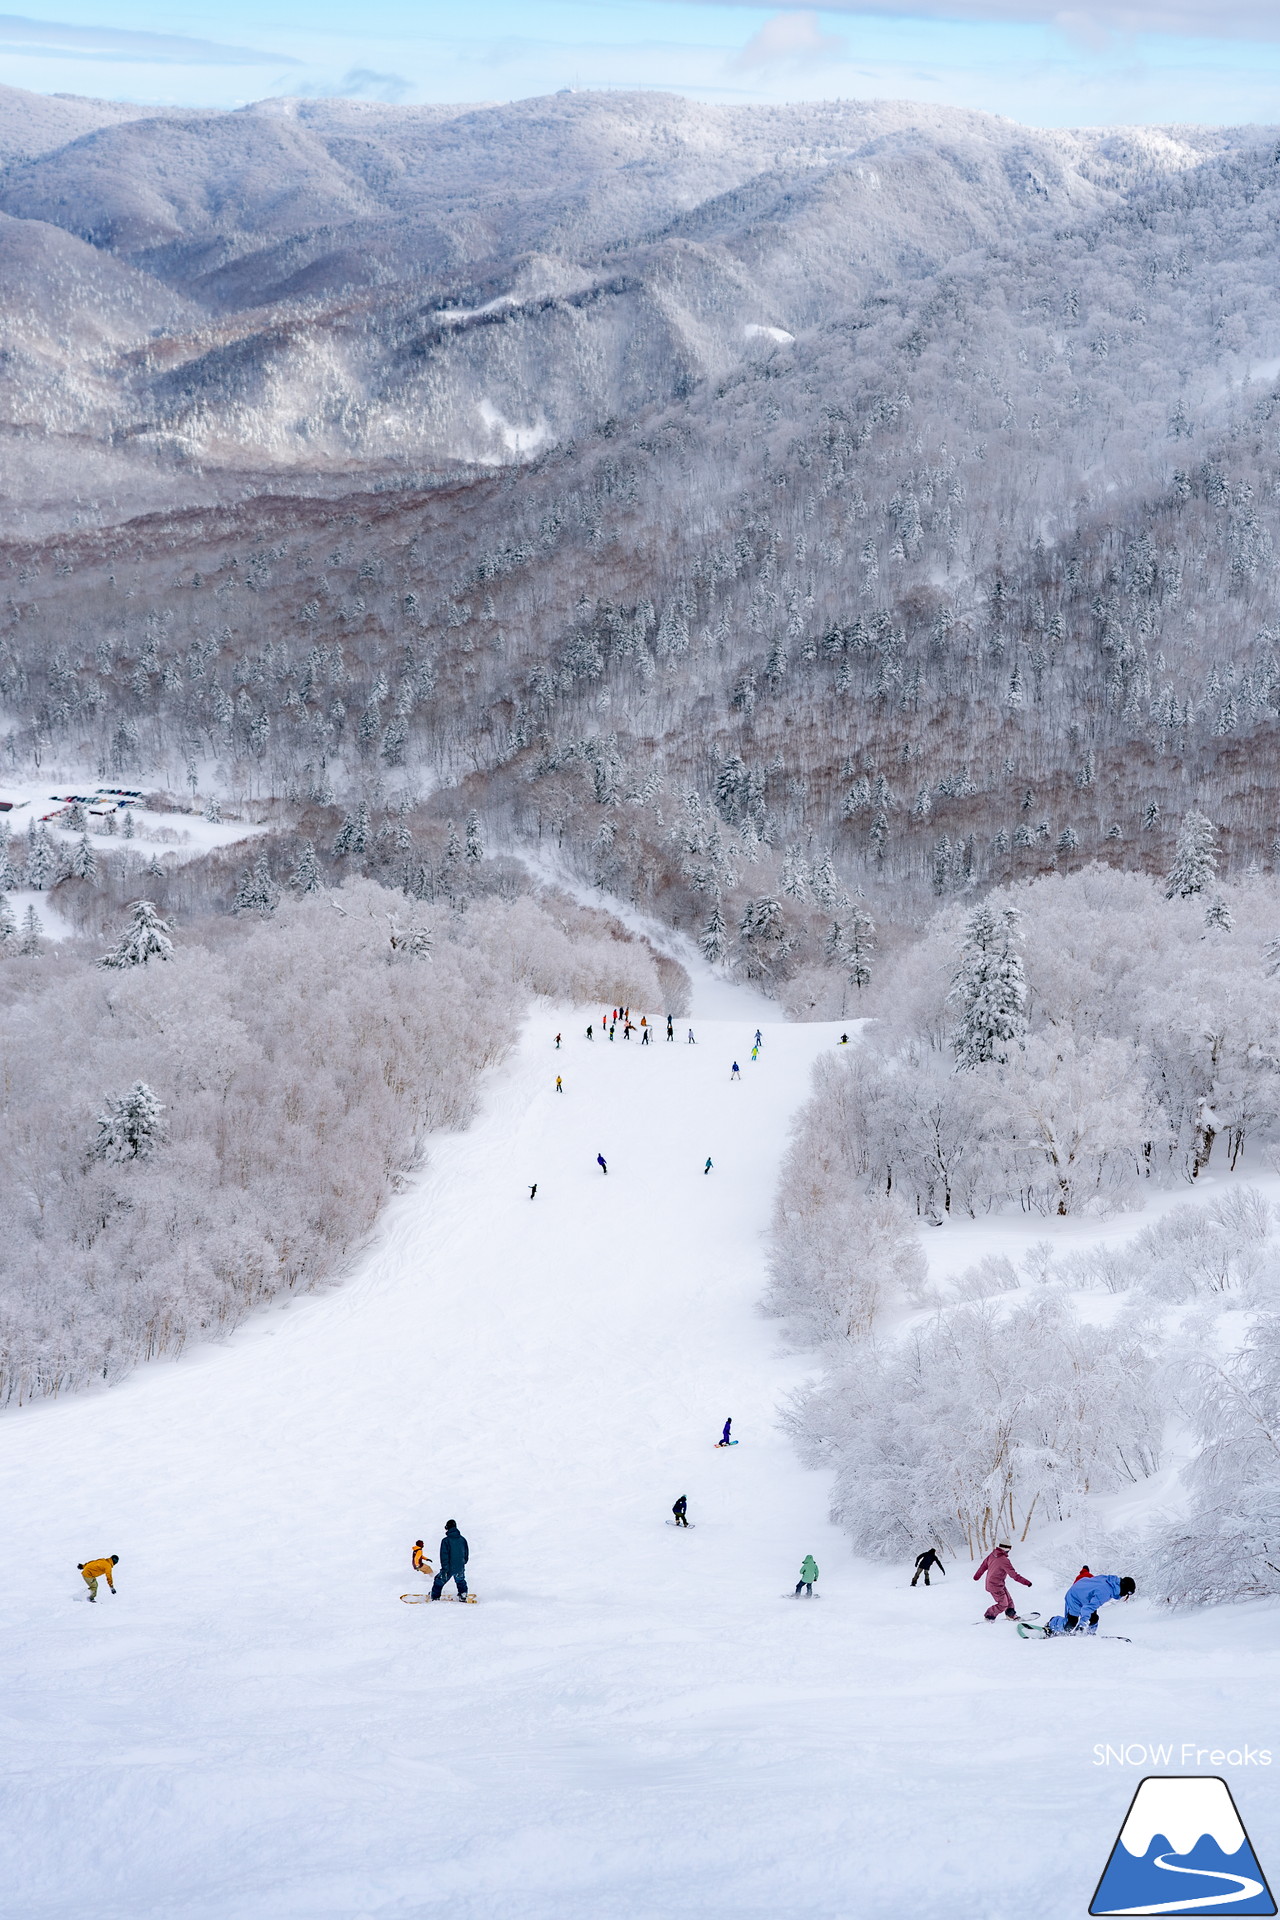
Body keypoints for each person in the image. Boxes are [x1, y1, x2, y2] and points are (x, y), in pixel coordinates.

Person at [1045, 1573, 1136, 1636]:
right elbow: (1087, 1609)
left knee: (1093, 1618)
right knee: (1071, 1624)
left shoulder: (1111, 1582)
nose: (1125, 1596)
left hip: (1084, 1597)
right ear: (1124, 1588)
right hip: (1075, 1597)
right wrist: (1082, 1625)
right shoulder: (1105, 1592)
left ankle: (1089, 1634)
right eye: (1127, 1593)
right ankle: (1053, 1623)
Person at [973, 1543, 1032, 1620]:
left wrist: (976, 1576)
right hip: (994, 1586)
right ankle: (989, 1616)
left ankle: (1010, 1615)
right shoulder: (1004, 1560)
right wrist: (1026, 1582)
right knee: (1003, 1604)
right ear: (1007, 1549)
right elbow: (1014, 1575)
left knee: (1009, 1600)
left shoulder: (992, 1555)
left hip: (997, 1584)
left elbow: (983, 1566)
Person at [430, 1520, 469, 1599]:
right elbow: (466, 1553)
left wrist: (445, 1568)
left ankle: (435, 1596)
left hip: (449, 1567)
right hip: (460, 1566)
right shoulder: (462, 1539)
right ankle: (463, 1594)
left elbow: (444, 1555)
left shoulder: (446, 1541)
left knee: (439, 1581)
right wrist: (462, 1563)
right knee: (460, 1580)